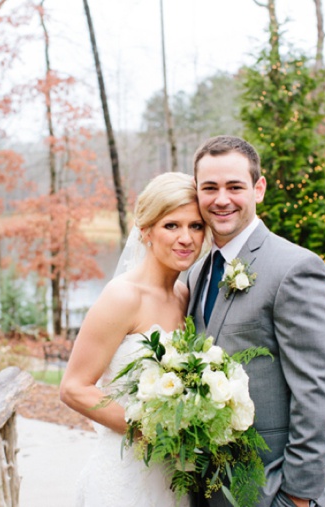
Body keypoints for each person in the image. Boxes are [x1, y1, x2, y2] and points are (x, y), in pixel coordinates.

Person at [187, 135, 325, 507]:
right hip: (209, 491)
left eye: (234, 187)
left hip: (272, 490)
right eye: (209, 188)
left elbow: (318, 390)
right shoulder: (195, 274)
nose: (221, 199)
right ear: (197, 193)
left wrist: (298, 497)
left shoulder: (296, 268)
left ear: (258, 189)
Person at [59, 172, 208, 507]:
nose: (186, 238)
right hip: (125, 478)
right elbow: (74, 388)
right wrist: (150, 432)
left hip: (174, 477)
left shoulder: (184, 295)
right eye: (172, 225)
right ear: (146, 232)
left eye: (196, 226)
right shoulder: (123, 296)